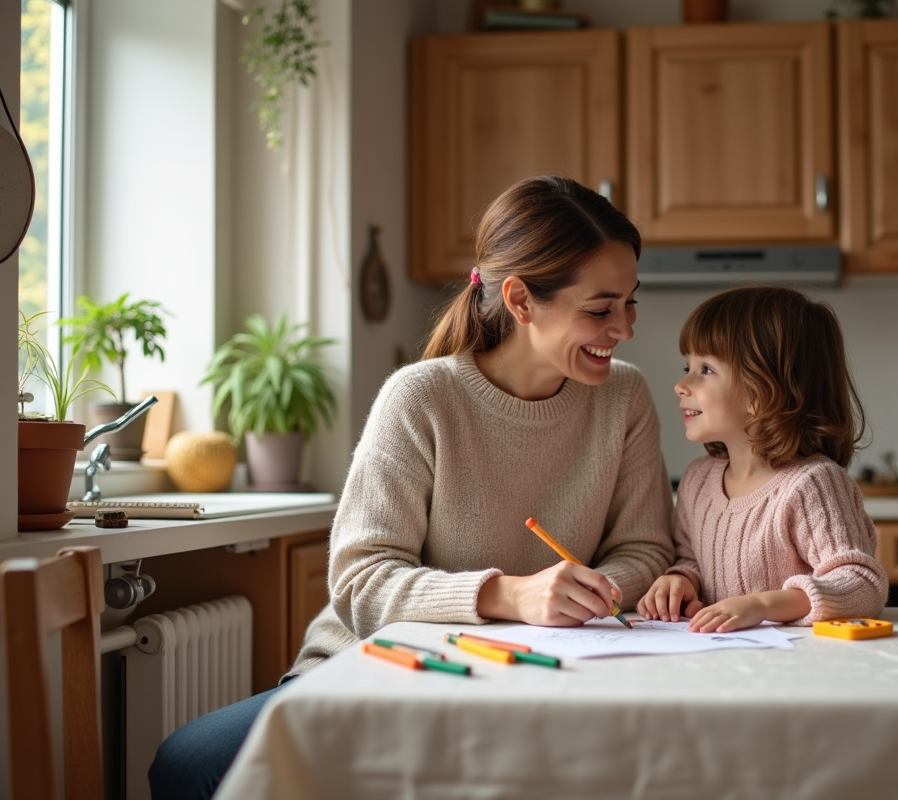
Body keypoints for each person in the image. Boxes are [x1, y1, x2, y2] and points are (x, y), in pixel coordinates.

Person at [149, 175, 675, 799]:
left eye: (630, 302)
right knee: (188, 765)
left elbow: (645, 549)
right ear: (520, 299)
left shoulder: (626, 397)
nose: (625, 329)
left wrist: (590, 593)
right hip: (386, 666)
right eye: (600, 309)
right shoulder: (420, 399)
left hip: (547, 671)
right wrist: (509, 596)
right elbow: (361, 581)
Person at [637, 286, 888, 633]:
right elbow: (691, 557)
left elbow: (862, 584)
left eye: (705, 369)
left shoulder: (812, 483)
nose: (681, 384)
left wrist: (763, 605)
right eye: (687, 366)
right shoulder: (698, 480)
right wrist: (682, 579)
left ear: (762, 392)